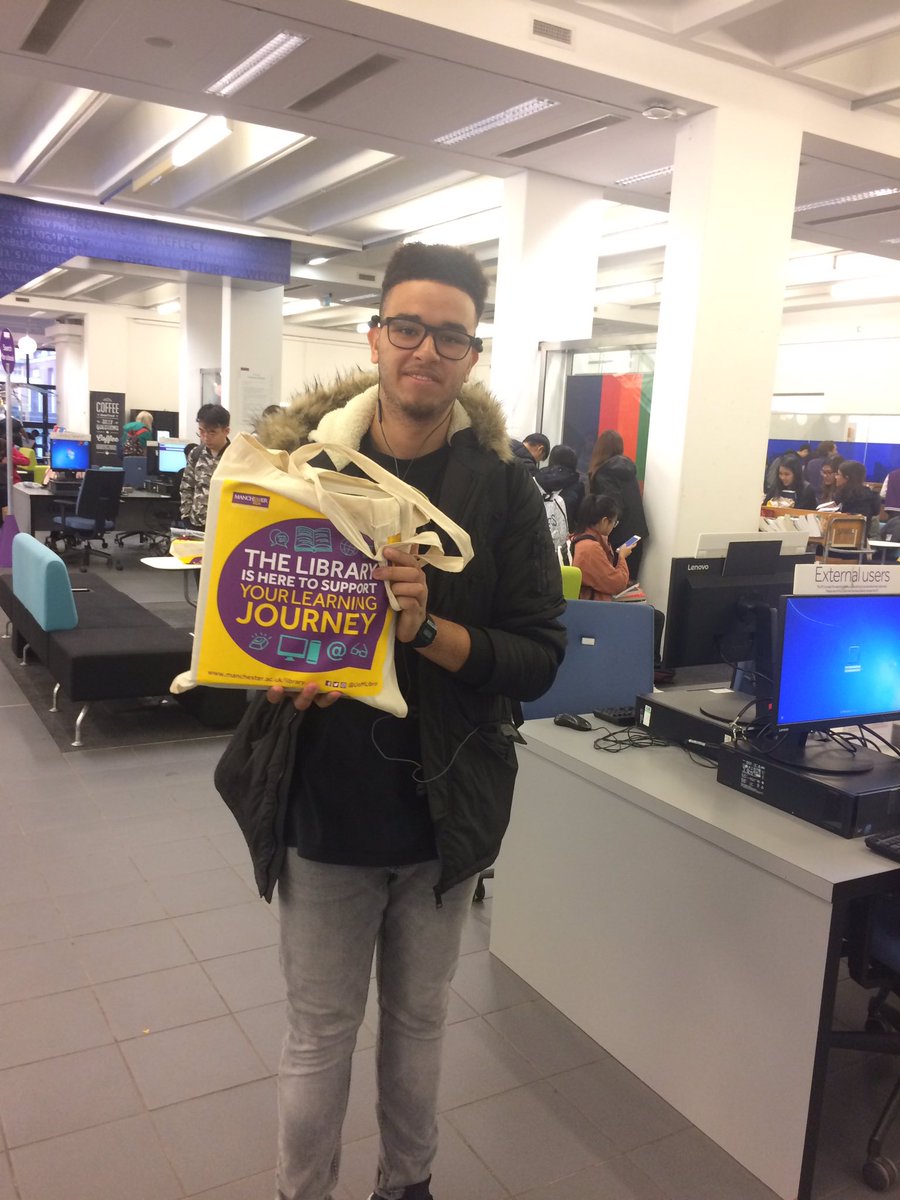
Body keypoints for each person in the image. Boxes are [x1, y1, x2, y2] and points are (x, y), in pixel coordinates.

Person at [221, 242, 566, 1200]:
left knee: (418, 1026)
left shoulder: (501, 490)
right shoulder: (296, 464)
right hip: (324, 804)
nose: (425, 349)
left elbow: (539, 655)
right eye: (407, 328)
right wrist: (274, 677)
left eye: (449, 335)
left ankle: (406, 1186)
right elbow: (252, 611)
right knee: (319, 1030)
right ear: (375, 337)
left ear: (472, 355)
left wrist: (429, 630)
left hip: (442, 805)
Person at [568, 493, 667, 673]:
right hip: (597, 608)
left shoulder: (582, 538)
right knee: (655, 617)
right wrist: (622, 557)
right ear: (605, 521)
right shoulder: (590, 548)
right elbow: (616, 583)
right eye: (614, 523)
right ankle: (650, 670)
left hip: (592, 602)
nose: (614, 527)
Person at [587, 429, 649, 581]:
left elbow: (613, 506)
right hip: (635, 535)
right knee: (629, 584)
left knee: (611, 583)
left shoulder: (603, 473)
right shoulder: (628, 471)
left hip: (616, 536)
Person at [179, 404, 230, 529]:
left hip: (224, 525)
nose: (206, 437)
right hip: (196, 523)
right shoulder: (196, 454)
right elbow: (187, 487)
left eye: (212, 432)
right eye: (202, 431)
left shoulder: (236, 457)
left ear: (226, 431)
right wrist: (186, 516)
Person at [537, 444, 585, 527]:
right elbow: (580, 515)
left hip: (538, 530)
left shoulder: (537, 477)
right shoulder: (577, 485)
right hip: (565, 532)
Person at [835, 459, 882, 523]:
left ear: (847, 478)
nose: (836, 477)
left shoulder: (848, 498)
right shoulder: (870, 496)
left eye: (838, 474)